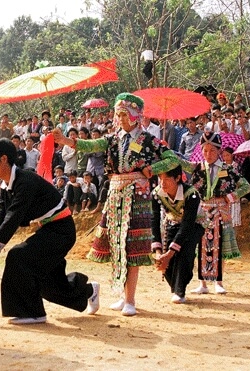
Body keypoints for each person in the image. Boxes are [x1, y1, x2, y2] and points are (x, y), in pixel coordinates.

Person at [53, 92, 170, 316]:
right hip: (116, 193)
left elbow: (172, 158)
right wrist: (66, 141)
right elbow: (92, 145)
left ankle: (131, 299)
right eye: (119, 115)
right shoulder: (114, 138)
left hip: (137, 194)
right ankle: (120, 294)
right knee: (117, 244)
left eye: (125, 114)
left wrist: (151, 170)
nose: (121, 119)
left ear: (136, 115)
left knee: (132, 245)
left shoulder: (148, 140)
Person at [0, 138, 100, 324]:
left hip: (61, 231)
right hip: (48, 230)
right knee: (46, 283)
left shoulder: (25, 182)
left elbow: (11, 220)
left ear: (3, 159)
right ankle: (88, 291)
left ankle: (31, 312)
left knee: (18, 257)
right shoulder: (6, 186)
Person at [190, 132, 250, 295]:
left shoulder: (228, 169)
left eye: (211, 151)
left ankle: (219, 281)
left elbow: (246, 186)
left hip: (221, 210)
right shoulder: (198, 168)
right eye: (205, 150)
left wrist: (230, 197)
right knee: (201, 247)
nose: (208, 154)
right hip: (203, 210)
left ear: (219, 151)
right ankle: (202, 283)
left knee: (220, 245)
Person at [151, 151, 203, 304]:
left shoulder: (191, 194)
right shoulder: (156, 194)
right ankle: (176, 287)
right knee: (166, 258)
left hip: (195, 225)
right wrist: (159, 251)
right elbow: (154, 220)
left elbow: (188, 224)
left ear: (178, 178)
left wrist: (169, 253)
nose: (163, 183)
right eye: (161, 179)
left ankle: (180, 291)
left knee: (184, 252)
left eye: (167, 179)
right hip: (172, 222)